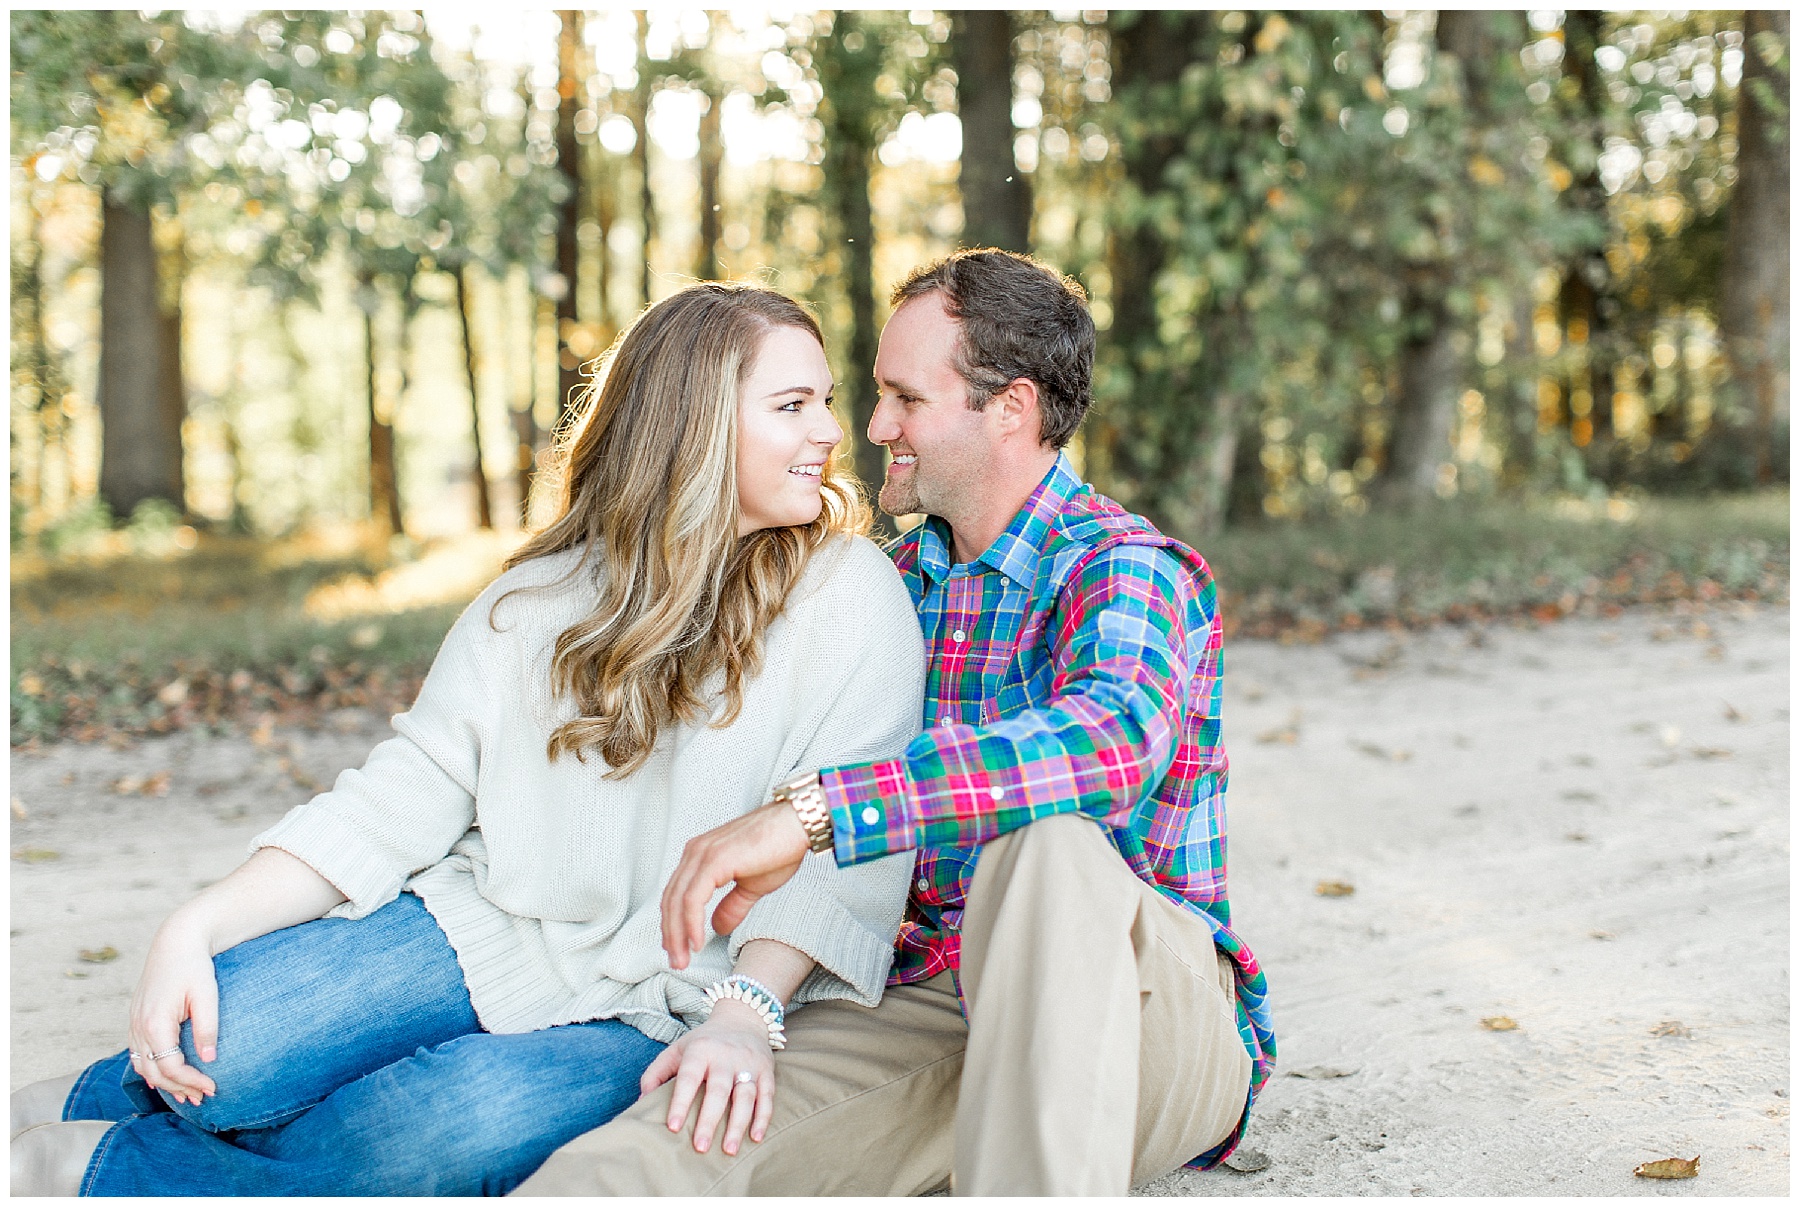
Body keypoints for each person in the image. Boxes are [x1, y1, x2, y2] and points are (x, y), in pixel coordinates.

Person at [8, 284, 927, 1196]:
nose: (830, 434)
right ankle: (93, 1098)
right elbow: (400, 794)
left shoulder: (854, 596)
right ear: (692, 424)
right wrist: (194, 922)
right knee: (230, 1039)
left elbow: (844, 844)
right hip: (484, 923)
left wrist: (746, 1009)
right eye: (791, 406)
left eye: (825, 404)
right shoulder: (543, 599)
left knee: (434, 1136)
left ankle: (95, 1167)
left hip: (672, 998)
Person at [516, 249, 1278, 1197]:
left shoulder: (1126, 570)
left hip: (1148, 1012)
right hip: (934, 1003)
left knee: (1041, 850)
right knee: (647, 1156)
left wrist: (814, 811)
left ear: (1013, 408)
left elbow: (1109, 741)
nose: (872, 428)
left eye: (904, 398)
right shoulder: (877, 586)